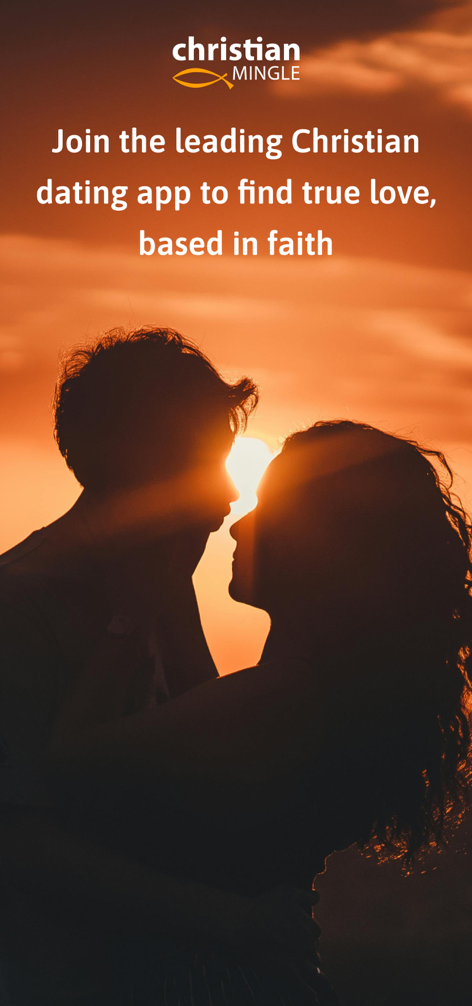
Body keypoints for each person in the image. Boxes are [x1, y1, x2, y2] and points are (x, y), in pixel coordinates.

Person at [48, 420, 472, 1004]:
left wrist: (127, 614)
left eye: (266, 509)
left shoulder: (279, 695)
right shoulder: (311, 690)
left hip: (206, 982)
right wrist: (168, 578)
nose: (238, 525)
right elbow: (198, 692)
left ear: (314, 544)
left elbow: (74, 752)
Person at [0, 328, 321, 1005]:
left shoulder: (162, 591)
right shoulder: (19, 611)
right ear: (132, 461)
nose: (227, 497)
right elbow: (22, 849)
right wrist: (239, 924)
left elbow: (210, 771)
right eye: (203, 462)